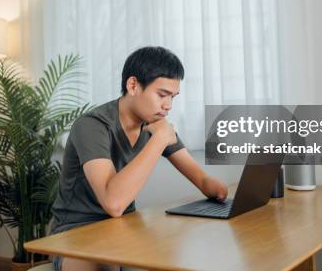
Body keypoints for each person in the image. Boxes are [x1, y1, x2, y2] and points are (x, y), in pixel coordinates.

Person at [49, 46, 228, 271]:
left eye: (173, 97)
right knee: (107, 264)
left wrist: (224, 193)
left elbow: (203, 181)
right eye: (162, 95)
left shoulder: (154, 125)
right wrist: (159, 140)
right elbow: (113, 204)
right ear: (133, 85)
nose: (168, 106)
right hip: (75, 234)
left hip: (122, 230)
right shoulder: (93, 125)